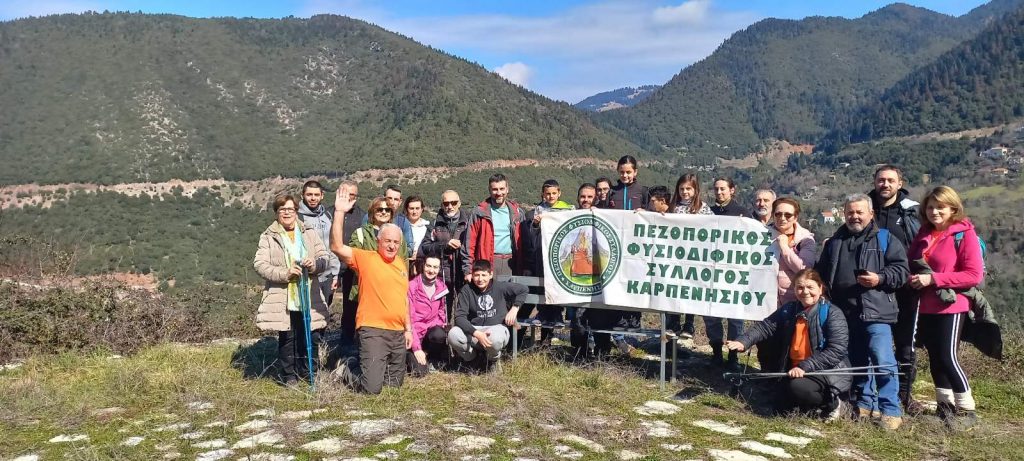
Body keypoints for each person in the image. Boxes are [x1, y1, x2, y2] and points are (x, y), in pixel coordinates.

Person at [815, 193, 909, 430]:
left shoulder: (885, 239)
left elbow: (901, 271)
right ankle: (865, 404)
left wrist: (880, 278)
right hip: (844, 314)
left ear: (871, 214)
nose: (854, 216)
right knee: (856, 361)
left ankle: (890, 410)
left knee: (882, 360)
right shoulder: (835, 242)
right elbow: (821, 273)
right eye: (850, 212)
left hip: (876, 312)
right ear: (844, 214)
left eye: (859, 212)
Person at [907, 186, 984, 430]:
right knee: (935, 357)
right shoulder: (924, 233)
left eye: (940, 207)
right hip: (925, 306)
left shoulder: (964, 234)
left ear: (953, 208)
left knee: (948, 356)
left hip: (952, 306)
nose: (935, 212)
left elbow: (973, 275)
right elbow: (912, 264)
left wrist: (934, 279)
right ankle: (945, 407)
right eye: (930, 207)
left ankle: (967, 409)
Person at [727, 269, 852, 419]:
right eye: (800, 287)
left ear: (820, 288)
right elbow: (765, 327)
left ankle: (833, 404)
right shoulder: (789, 309)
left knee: (797, 388)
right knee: (780, 409)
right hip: (795, 370)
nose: (805, 292)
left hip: (826, 371)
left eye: (810, 287)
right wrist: (743, 341)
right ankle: (806, 405)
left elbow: (837, 350)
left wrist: (805, 366)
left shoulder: (833, 313)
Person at [330, 189, 413, 394]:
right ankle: (347, 367)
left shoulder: (401, 264)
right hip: (373, 330)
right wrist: (339, 212)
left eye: (396, 242)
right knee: (372, 389)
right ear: (378, 241)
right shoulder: (365, 258)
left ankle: (373, 368)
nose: (392, 246)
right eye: (387, 241)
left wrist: (408, 329)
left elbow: (404, 299)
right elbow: (336, 246)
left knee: (393, 386)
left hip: (397, 332)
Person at [253, 195, 331, 386]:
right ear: (276, 213)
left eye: (290, 209)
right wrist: (285, 273)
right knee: (288, 337)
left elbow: (324, 257)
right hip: (284, 296)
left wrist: (314, 265)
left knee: (311, 335)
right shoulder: (268, 236)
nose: (287, 213)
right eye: (282, 209)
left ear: (296, 211)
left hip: (309, 293)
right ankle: (289, 375)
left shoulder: (309, 233)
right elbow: (260, 264)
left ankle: (309, 371)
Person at [868, 165, 923, 413]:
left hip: (905, 289)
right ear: (874, 182)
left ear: (900, 183)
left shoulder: (911, 212)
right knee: (871, 342)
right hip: (871, 289)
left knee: (905, 344)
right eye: (881, 180)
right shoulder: (865, 208)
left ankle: (904, 395)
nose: (885, 184)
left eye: (891, 180)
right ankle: (868, 393)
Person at [759, 197, 817, 373]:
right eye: (778, 214)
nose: (782, 218)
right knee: (766, 344)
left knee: (788, 344)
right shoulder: (762, 234)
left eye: (788, 215)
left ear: (796, 217)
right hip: (765, 300)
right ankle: (767, 378)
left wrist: (784, 248)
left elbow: (805, 268)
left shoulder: (805, 240)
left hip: (792, 302)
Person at [449, 259, 528, 371]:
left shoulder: (500, 287)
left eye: (483, 275)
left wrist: (515, 308)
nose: (480, 279)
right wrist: (476, 333)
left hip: (496, 328)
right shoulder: (466, 290)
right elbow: (460, 317)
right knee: (453, 334)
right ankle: (472, 359)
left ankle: (492, 360)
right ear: (472, 275)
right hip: (474, 330)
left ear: (490, 274)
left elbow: (523, 289)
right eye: (476, 275)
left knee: (495, 339)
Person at [704, 177, 748, 368]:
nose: (719, 192)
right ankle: (716, 352)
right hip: (711, 273)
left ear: (732, 190)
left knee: (735, 318)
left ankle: (733, 356)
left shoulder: (743, 213)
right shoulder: (708, 213)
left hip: (734, 274)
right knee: (711, 316)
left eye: (723, 189)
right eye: (716, 189)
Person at [522, 179, 574, 336]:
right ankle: (543, 313)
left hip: (559, 254)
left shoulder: (568, 208)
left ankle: (557, 314)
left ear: (559, 193)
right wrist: (536, 224)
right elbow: (533, 232)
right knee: (543, 285)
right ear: (543, 195)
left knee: (557, 284)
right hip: (542, 253)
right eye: (548, 194)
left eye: (554, 193)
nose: (551, 196)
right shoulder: (539, 210)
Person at [607, 155, 650, 331]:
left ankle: (635, 317)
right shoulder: (612, 191)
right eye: (622, 172)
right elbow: (604, 211)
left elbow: (652, 213)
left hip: (637, 245)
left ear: (635, 172)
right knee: (618, 280)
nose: (625, 175)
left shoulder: (643, 191)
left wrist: (645, 212)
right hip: (616, 245)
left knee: (635, 280)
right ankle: (619, 318)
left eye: (628, 172)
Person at [669, 173, 713, 337]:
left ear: (695, 190)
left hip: (694, 257)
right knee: (673, 288)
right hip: (674, 256)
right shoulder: (672, 207)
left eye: (688, 188)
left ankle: (689, 324)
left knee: (690, 289)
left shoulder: (703, 208)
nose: (685, 192)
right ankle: (674, 322)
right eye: (682, 189)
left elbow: (716, 226)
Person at [462, 173, 526, 279]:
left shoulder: (518, 213)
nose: (499, 193)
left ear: (507, 189)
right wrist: (468, 270)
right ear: (489, 190)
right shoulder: (479, 213)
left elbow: (525, 242)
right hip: (487, 262)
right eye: (495, 189)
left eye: (502, 189)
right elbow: (469, 243)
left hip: (512, 262)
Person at [417, 190, 470, 312]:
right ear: (441, 205)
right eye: (446, 203)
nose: (450, 206)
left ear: (459, 203)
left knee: (464, 312)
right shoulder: (434, 224)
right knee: (443, 312)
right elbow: (425, 247)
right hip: (442, 276)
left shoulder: (468, 222)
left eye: (453, 203)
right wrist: (444, 245)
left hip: (463, 274)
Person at [296, 180, 342, 306]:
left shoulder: (327, 215)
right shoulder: (297, 217)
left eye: (316, 195)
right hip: (307, 276)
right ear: (302, 195)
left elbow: (332, 245)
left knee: (324, 313)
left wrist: (335, 274)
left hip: (327, 277)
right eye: (309, 194)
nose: (313, 198)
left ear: (322, 196)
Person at [335, 181, 367, 347]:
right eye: (346, 194)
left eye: (353, 195)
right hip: (328, 267)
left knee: (351, 308)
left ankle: (348, 343)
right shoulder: (330, 213)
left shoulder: (363, 217)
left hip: (351, 269)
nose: (349, 197)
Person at [407, 255, 449, 377]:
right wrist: (416, 348)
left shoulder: (441, 287)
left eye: (435, 267)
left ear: (439, 269)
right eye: (428, 266)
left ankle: (433, 357)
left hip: (430, 331)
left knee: (439, 334)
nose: (431, 270)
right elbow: (409, 319)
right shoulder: (412, 286)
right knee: (420, 372)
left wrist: (441, 326)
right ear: (423, 266)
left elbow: (441, 311)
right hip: (415, 334)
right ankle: (409, 355)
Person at [383, 184, 415, 250]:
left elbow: (409, 248)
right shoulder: (371, 217)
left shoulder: (403, 222)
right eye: (389, 198)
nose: (392, 202)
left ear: (400, 202)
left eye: (396, 199)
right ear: (383, 198)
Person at [404, 195, 430, 273]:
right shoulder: (400, 225)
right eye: (411, 208)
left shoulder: (428, 227)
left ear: (422, 209)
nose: (414, 212)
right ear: (406, 209)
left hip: (423, 267)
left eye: (417, 208)